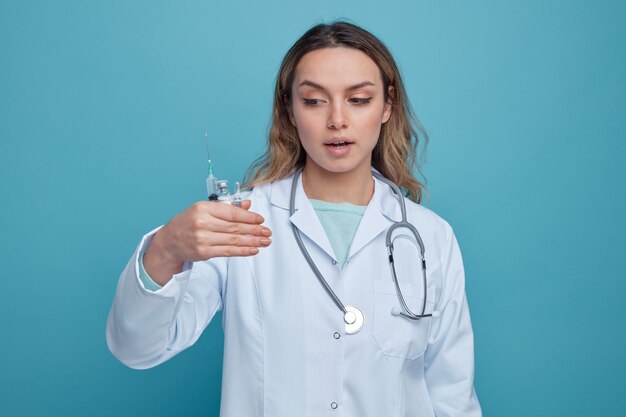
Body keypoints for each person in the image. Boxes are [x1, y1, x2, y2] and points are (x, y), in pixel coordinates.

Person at [106, 20, 482, 417]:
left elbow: (452, 395)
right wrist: (165, 250)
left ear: (387, 105)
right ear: (289, 109)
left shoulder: (430, 237)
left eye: (358, 99)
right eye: (314, 100)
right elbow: (137, 348)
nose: (337, 120)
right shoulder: (240, 222)